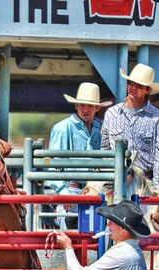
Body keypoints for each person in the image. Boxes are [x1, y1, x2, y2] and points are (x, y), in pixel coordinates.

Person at [48, 82, 112, 229]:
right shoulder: (62, 129)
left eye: (90, 105)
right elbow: (53, 167)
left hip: (97, 189)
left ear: (97, 108)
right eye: (82, 105)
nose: (85, 109)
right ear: (76, 106)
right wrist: (64, 193)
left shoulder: (101, 127)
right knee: (73, 229)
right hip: (71, 189)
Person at [101, 63, 159, 192]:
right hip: (116, 182)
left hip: (145, 185)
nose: (133, 87)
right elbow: (105, 150)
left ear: (148, 90)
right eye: (131, 83)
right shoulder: (111, 114)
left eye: (139, 85)